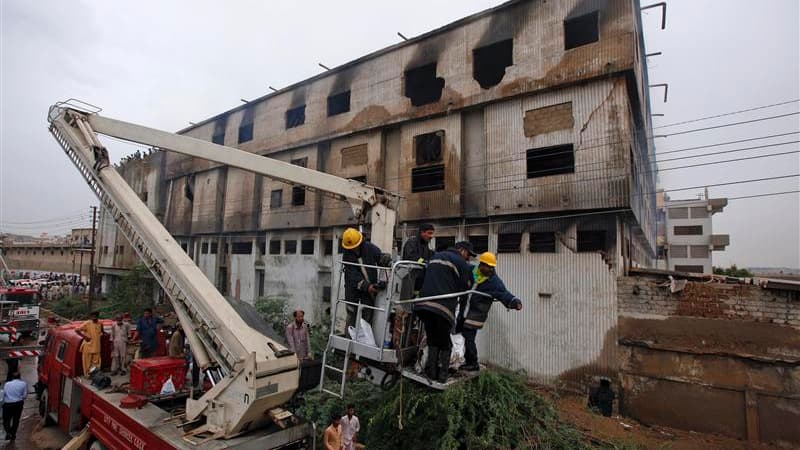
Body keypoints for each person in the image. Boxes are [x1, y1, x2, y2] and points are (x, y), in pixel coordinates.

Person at [414, 241, 475, 383]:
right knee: (445, 343)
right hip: (443, 309)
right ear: (461, 250)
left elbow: (420, 279)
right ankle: (442, 377)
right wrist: (461, 318)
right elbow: (464, 292)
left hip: (423, 307)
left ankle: (431, 374)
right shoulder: (461, 263)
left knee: (432, 339)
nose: (468, 259)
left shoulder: (435, 256)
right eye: (468, 255)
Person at [457, 252, 522, 372]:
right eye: (488, 266)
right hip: (464, 310)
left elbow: (504, 293)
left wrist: (514, 302)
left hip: (476, 314)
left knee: (469, 337)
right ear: (481, 264)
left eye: (492, 267)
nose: (491, 269)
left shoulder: (494, 282)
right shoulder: (472, 270)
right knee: (457, 332)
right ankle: (458, 358)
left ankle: (472, 363)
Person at [341, 228, 388, 327]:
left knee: (367, 315)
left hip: (368, 290)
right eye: (351, 248)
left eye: (356, 246)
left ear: (361, 241)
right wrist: (367, 287)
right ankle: (350, 338)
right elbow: (352, 275)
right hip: (353, 290)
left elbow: (379, 257)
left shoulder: (369, 248)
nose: (354, 249)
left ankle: (366, 339)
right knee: (351, 315)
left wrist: (386, 259)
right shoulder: (347, 255)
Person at [76, 311, 103, 376]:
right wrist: (85, 337)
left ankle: (95, 375)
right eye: (92, 316)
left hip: (96, 346)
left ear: (98, 316)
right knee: (87, 362)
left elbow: (102, 331)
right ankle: (88, 375)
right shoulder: (87, 323)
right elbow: (76, 330)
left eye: (95, 316)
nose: (94, 317)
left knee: (96, 362)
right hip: (88, 346)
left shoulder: (100, 324)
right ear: (91, 317)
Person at [2, 372, 27, 441]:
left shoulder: (7, 384)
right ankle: (13, 434)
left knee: (6, 420)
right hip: (18, 404)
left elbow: (4, 394)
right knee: (16, 420)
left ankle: (8, 432)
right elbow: (24, 396)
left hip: (8, 405)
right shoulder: (23, 384)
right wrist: (18, 398)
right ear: (20, 377)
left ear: (12, 378)